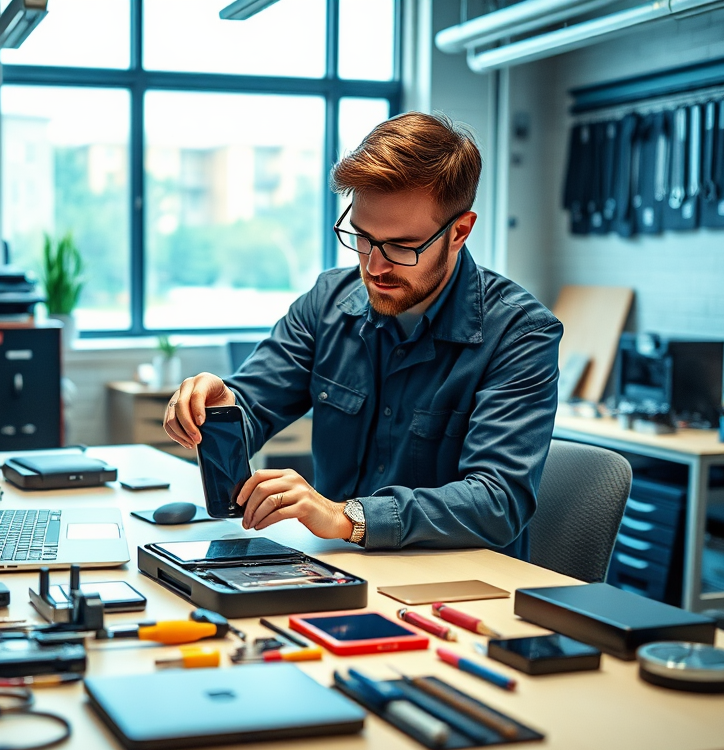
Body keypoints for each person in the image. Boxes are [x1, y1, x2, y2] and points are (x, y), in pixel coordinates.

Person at [164, 112, 561, 559]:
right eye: (362, 237)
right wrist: (221, 410)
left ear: (459, 232)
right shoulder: (327, 301)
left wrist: (347, 518)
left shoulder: (520, 334)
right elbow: (253, 405)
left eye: (400, 247)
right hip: (335, 571)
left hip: (457, 589)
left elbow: (497, 502)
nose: (374, 267)